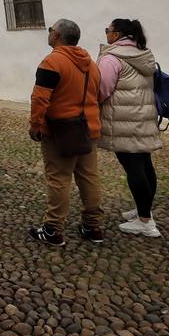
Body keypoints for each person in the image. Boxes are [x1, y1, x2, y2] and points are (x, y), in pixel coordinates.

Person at [28, 18, 104, 247]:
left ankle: (53, 229)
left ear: (57, 36)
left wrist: (36, 125)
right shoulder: (91, 63)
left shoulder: (52, 62)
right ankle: (93, 227)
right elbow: (97, 94)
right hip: (89, 127)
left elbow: (40, 97)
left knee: (59, 178)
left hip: (62, 129)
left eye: (51, 30)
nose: (49, 33)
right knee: (88, 177)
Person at [96, 19, 162, 237]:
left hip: (123, 120)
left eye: (108, 30)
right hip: (143, 117)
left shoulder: (112, 58)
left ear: (117, 35)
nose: (106, 34)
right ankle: (144, 210)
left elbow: (102, 89)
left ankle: (145, 222)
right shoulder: (143, 54)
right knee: (145, 165)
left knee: (133, 169)